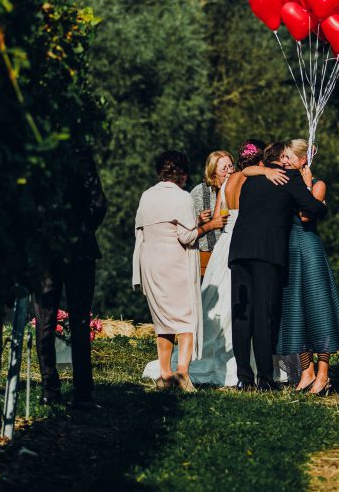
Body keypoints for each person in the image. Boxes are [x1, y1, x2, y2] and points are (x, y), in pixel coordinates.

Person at [228, 142, 327, 391]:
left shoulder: (251, 179)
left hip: (240, 251)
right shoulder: (289, 178)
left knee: (242, 315)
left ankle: (244, 378)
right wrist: (320, 202)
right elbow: (311, 207)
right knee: (264, 315)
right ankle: (265, 378)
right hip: (267, 253)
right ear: (281, 158)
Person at [133, 150, 225, 391]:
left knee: (163, 320)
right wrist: (208, 226)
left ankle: (164, 375)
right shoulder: (182, 197)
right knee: (186, 319)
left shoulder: (147, 195)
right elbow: (185, 237)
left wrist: (195, 220)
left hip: (150, 262)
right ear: (183, 174)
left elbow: (147, 229)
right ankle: (182, 373)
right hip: (175, 263)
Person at [34, 142, 107, 407]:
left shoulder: (36, 153)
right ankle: (83, 392)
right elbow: (98, 202)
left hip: (46, 248)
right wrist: (84, 229)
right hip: (80, 247)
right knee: (80, 319)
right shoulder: (80, 154)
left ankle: (49, 388)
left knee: (44, 319)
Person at [276, 140, 339, 395]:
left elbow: (306, 216)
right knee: (295, 310)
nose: (283, 161)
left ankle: (323, 374)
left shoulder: (318, 185)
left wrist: (306, 186)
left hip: (309, 248)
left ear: (302, 161)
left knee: (318, 309)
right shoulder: (284, 184)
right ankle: (306, 371)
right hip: (289, 250)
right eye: (282, 157)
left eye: (288, 157)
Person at [191, 151, 235, 277]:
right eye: (224, 169)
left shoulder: (237, 189)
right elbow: (185, 227)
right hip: (205, 256)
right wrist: (199, 220)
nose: (229, 172)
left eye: (231, 166)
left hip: (230, 254)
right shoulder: (199, 192)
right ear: (213, 173)